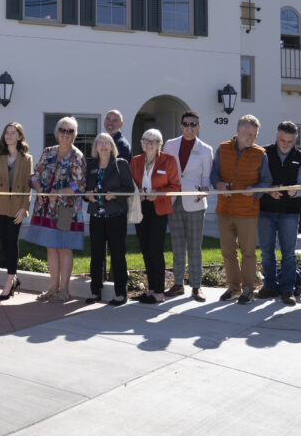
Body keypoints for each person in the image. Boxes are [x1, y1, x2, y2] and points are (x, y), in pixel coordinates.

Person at [212, 114, 273, 304]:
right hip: (224, 210)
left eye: (254, 134)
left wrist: (254, 191)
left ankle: (248, 290)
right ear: (238, 131)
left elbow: (267, 180)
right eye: (248, 133)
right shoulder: (222, 149)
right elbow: (214, 174)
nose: (252, 137)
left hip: (247, 211)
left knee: (248, 252)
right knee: (228, 252)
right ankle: (233, 288)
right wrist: (219, 185)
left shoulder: (260, 153)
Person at [27, 116, 87, 302]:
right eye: (62, 130)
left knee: (63, 247)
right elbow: (34, 175)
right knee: (51, 246)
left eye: (70, 131)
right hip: (45, 206)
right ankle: (53, 287)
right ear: (57, 132)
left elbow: (80, 186)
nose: (65, 134)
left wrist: (59, 192)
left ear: (74, 134)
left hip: (65, 209)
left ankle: (65, 290)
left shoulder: (77, 156)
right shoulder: (48, 152)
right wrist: (39, 188)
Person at [161, 111, 213, 302]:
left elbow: (206, 178)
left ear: (199, 126)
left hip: (195, 202)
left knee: (194, 245)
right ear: (181, 126)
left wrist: (204, 190)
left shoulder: (206, 149)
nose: (189, 128)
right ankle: (177, 283)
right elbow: (163, 171)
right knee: (177, 243)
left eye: (193, 124)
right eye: (186, 124)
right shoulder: (170, 145)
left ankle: (197, 286)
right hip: (174, 200)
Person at [258, 121, 301, 306]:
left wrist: (297, 191)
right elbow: (258, 181)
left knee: (289, 253)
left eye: (290, 141)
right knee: (266, 252)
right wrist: (269, 189)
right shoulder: (263, 153)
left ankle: (288, 289)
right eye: (282, 140)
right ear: (276, 136)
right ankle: (270, 286)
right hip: (265, 210)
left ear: (296, 140)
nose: (285, 144)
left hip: (289, 212)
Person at [131, 128, 181, 304]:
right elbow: (132, 185)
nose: (149, 143)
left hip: (158, 209)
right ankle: (151, 289)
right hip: (141, 207)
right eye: (145, 140)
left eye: (153, 141)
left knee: (155, 248)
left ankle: (159, 292)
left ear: (160, 144)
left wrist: (157, 193)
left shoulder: (168, 161)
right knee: (145, 248)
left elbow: (175, 186)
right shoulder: (136, 161)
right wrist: (139, 194)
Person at [84, 133, 134, 305]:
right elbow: (85, 189)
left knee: (118, 255)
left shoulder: (121, 164)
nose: (103, 146)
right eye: (100, 143)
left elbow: (129, 189)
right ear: (96, 147)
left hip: (115, 216)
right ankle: (95, 291)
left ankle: (120, 293)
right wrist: (87, 195)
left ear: (112, 146)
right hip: (96, 216)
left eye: (107, 143)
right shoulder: (91, 164)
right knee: (96, 255)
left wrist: (114, 195)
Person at [0, 122, 33, 301]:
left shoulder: (26, 158)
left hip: (17, 206)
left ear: (20, 137)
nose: (8, 136)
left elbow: (28, 186)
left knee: (12, 241)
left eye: (12, 133)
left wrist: (24, 208)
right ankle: (14, 278)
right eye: (6, 132)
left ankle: (8, 282)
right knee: (4, 242)